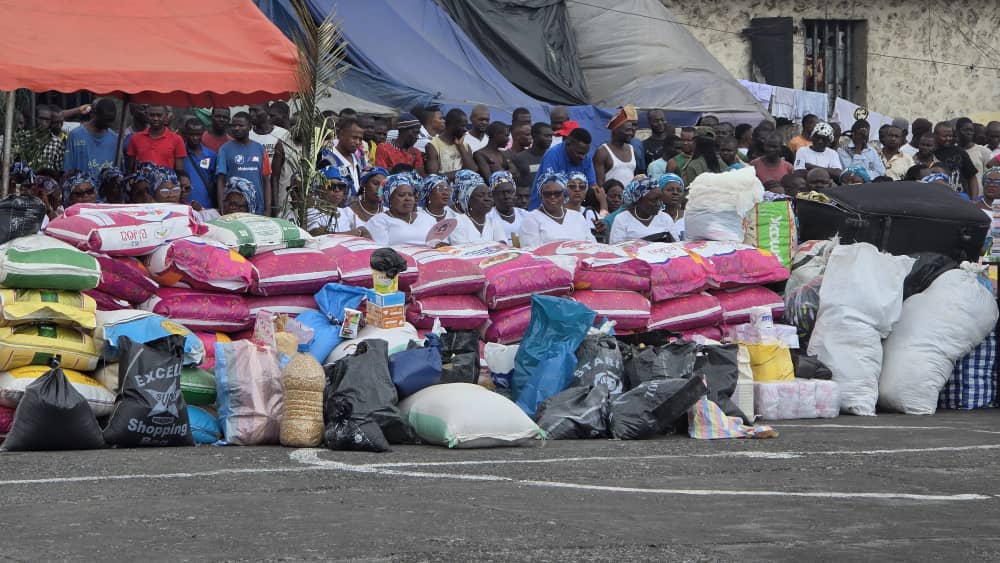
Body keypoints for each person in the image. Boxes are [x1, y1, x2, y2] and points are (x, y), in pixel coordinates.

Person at [519, 170, 596, 247]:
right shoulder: (531, 219)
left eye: (557, 193)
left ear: (564, 195)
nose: (553, 197)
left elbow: (592, 245)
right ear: (541, 196)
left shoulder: (578, 217)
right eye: (547, 194)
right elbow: (532, 252)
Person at [529, 127, 600, 210]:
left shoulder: (586, 158)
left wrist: (602, 205)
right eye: (579, 153)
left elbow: (593, 187)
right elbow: (551, 188)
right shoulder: (553, 155)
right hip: (543, 209)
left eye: (585, 153)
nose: (583, 157)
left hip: (570, 210)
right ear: (568, 144)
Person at [216, 112, 271, 215]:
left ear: (250, 127)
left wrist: (268, 209)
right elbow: (220, 180)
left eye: (241, 125)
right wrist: (222, 207)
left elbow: (266, 180)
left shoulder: (260, 149)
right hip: (234, 209)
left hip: (257, 209)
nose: (236, 128)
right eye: (234, 125)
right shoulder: (224, 149)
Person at [366, 173, 438, 246]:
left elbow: (437, 244)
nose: (407, 199)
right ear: (390, 199)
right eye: (401, 195)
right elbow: (382, 252)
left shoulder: (428, 219)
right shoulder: (378, 221)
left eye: (410, 195)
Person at [294, 166, 360, 236]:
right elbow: (315, 233)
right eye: (331, 186)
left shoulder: (347, 212)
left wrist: (327, 232)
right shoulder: (312, 211)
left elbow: (363, 232)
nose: (337, 190)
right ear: (320, 189)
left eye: (341, 186)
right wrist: (348, 234)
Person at [609, 177, 676, 243]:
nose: (658, 204)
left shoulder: (665, 218)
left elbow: (676, 246)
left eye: (660, 198)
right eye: (653, 200)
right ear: (638, 201)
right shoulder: (622, 219)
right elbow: (616, 249)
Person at [63, 98, 118, 178]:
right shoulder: (75, 136)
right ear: (94, 114)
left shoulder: (115, 139)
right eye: (105, 120)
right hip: (82, 188)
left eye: (111, 121)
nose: (108, 124)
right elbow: (67, 170)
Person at [125, 105, 185, 174]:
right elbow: (130, 169)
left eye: (159, 115)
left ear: (166, 117)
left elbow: (179, 171)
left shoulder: (177, 139)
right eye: (152, 115)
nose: (155, 118)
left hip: (167, 183)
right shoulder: (135, 138)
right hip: (141, 182)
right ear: (146, 116)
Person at [450, 170, 506, 244]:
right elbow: (464, 251)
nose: (487, 199)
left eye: (490, 195)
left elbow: (503, 246)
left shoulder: (494, 222)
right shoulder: (457, 222)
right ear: (468, 200)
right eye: (481, 195)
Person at [594, 105, 638, 188]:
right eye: (627, 130)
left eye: (632, 130)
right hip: (611, 199)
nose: (631, 133)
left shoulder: (632, 150)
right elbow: (600, 184)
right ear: (615, 130)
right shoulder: (602, 152)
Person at [426, 109, 476, 180]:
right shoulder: (433, 145)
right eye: (463, 126)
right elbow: (434, 178)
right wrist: (462, 173)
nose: (465, 130)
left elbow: (473, 171)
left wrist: (460, 146)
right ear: (452, 125)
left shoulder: (465, 145)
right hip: (445, 187)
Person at [933, 121, 980, 198]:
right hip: (937, 198)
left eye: (950, 136)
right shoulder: (930, 152)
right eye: (944, 136)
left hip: (959, 198)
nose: (948, 139)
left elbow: (972, 177)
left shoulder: (960, 152)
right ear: (935, 135)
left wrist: (974, 200)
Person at [180, 117, 217, 210]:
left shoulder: (211, 155)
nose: (195, 138)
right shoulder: (180, 153)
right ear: (185, 134)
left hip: (206, 206)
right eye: (191, 134)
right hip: (184, 206)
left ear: (203, 134)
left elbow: (214, 182)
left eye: (198, 134)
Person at [326, 116, 365, 193]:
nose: (357, 142)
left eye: (360, 139)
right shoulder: (326, 158)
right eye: (354, 138)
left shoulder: (358, 159)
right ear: (341, 134)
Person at [487, 170, 527, 245]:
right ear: (493, 195)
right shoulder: (488, 218)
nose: (506, 196)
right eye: (501, 193)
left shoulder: (525, 215)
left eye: (509, 192)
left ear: (514, 193)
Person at [565, 171, 608, 241]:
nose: (577, 189)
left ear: (586, 191)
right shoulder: (559, 213)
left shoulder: (590, 212)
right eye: (572, 186)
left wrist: (602, 229)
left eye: (582, 186)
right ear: (565, 189)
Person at [511, 122, 552, 190]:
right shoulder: (519, 158)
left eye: (550, 136)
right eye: (546, 136)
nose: (550, 139)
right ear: (534, 136)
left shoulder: (553, 157)